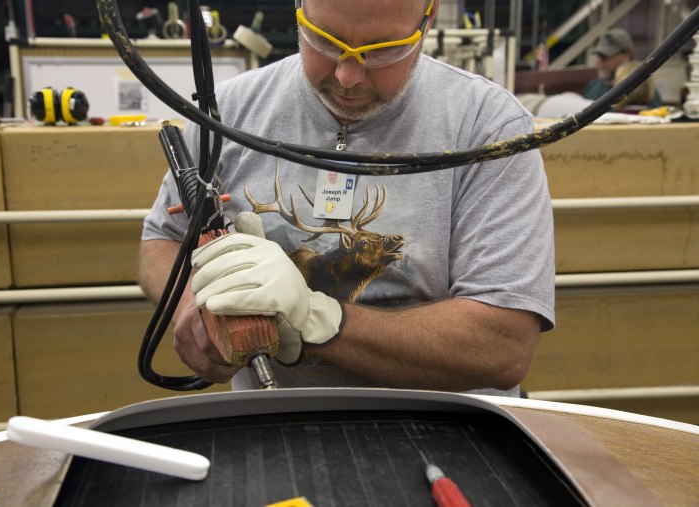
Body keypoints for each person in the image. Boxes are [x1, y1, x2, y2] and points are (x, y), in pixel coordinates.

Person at [139, 0, 556, 397]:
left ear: (428, 20)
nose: (347, 75)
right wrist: (199, 307)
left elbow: (502, 345)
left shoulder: (490, 129)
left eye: (382, 51)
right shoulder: (230, 112)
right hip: (272, 423)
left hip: (447, 433)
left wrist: (317, 317)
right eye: (324, 40)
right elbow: (162, 240)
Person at [582, 27, 661, 108]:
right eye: (598, 56)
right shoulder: (592, 86)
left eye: (605, 56)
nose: (599, 62)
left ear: (627, 55)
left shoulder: (639, 88)